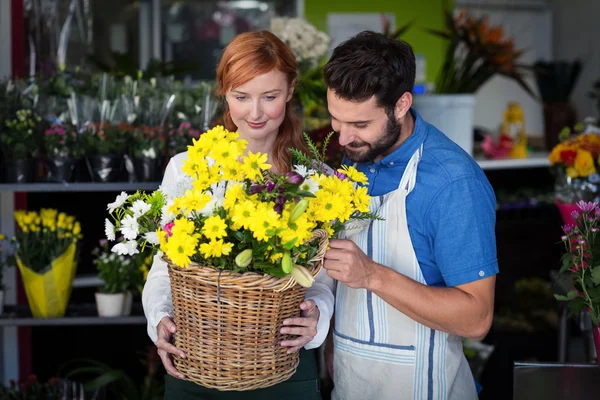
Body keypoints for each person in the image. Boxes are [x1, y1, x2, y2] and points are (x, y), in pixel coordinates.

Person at [142, 30, 335, 400]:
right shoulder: (187, 170)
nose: (255, 112)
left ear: (291, 90)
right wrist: (159, 320)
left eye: (270, 96)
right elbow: (163, 266)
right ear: (224, 93)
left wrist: (317, 318)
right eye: (241, 97)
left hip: (283, 365)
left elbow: (321, 278)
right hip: (195, 361)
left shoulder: (314, 182)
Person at [322, 31, 498, 400]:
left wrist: (371, 275)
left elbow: (477, 319)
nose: (342, 139)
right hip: (352, 383)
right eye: (337, 120)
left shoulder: (452, 183)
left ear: (401, 105)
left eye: (360, 125)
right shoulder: (356, 155)